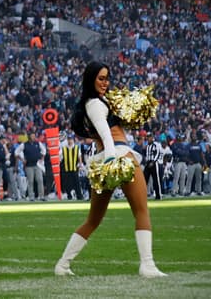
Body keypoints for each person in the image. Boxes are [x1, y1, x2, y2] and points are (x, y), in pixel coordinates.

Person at [54, 61, 165, 278]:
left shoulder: (94, 102)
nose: (105, 82)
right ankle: (147, 265)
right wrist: (113, 161)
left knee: (93, 220)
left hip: (102, 160)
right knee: (141, 211)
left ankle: (62, 265)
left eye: (107, 78)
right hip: (118, 157)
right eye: (101, 78)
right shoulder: (95, 104)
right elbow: (106, 134)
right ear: (91, 79)